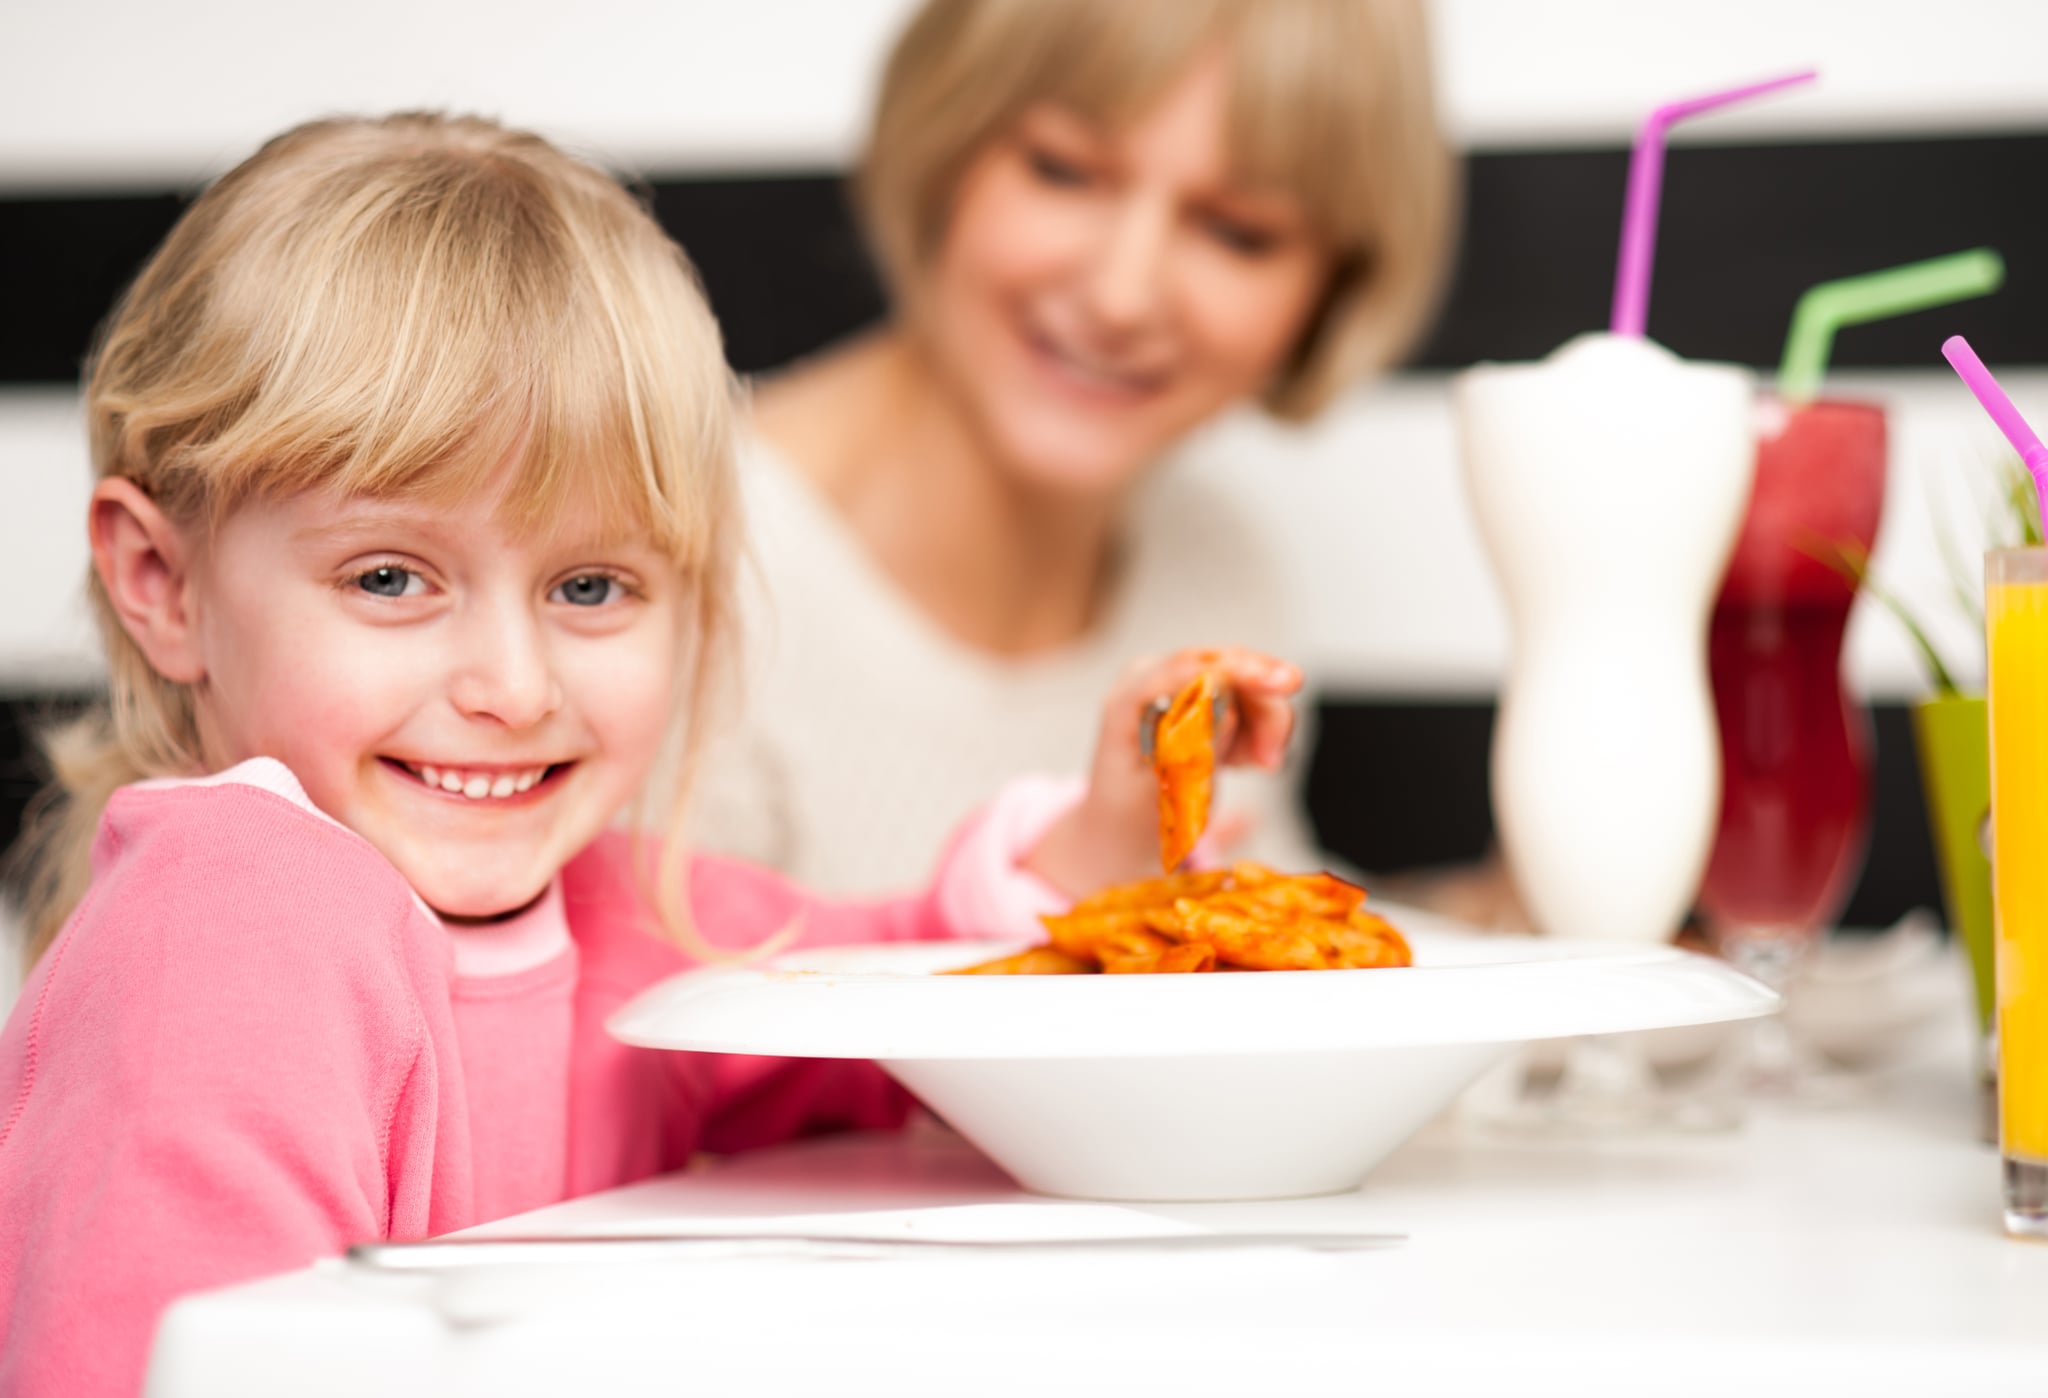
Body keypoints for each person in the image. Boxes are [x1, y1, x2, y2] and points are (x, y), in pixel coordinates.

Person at [0, 113, 1303, 1398]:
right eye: (390, 576)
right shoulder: (234, 923)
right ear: (161, 584)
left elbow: (888, 1002)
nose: (512, 687)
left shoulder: (625, 918)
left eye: (591, 587)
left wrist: (1099, 845)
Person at [692, 0, 1456, 896]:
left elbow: (1260, 955)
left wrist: (1512, 918)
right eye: (1063, 170)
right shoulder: (668, 563)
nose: (1123, 296)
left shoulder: (1216, 572)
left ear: (1332, 287)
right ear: (946, 147)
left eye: (1238, 230)